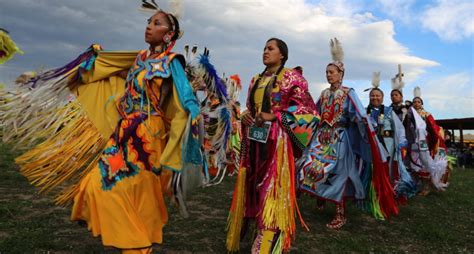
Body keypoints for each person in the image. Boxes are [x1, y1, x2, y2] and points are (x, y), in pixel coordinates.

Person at [6, 3, 204, 252]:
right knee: (99, 182)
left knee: (138, 190)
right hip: (123, 132)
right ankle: (131, 238)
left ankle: (137, 245)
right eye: (148, 22)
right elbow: (113, 71)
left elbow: (183, 96)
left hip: (147, 135)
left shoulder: (172, 62)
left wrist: (191, 117)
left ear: (169, 34)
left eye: (156, 23)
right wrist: (93, 62)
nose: (149, 26)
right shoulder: (139, 59)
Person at [226, 38, 319, 253]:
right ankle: (252, 222)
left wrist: (274, 116)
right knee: (252, 182)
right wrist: (247, 117)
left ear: (282, 55)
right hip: (254, 142)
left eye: (271, 48)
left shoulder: (292, 78)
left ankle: (269, 235)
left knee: (272, 187)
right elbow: (250, 107)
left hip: (277, 143)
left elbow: (309, 112)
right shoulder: (256, 79)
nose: (265, 52)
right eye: (264, 48)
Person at [297, 39, 398, 228]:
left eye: (332, 72)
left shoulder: (348, 93)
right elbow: (316, 114)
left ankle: (340, 214)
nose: (328, 75)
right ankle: (319, 196)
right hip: (322, 139)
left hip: (339, 139)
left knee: (340, 173)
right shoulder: (325, 94)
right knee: (310, 165)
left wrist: (365, 128)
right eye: (327, 72)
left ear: (341, 74)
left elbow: (359, 114)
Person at [365, 73, 416, 205]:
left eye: (377, 95)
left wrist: (401, 142)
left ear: (382, 98)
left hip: (388, 144)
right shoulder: (365, 112)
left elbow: (399, 127)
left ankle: (387, 193)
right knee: (371, 168)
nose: (375, 97)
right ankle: (372, 193)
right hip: (371, 145)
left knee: (388, 169)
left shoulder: (388, 111)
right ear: (369, 97)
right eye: (372, 95)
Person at [411, 87, 450, 194]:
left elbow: (433, 127)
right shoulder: (410, 114)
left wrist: (438, 136)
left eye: (418, 101)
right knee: (414, 164)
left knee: (425, 164)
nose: (416, 103)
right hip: (413, 142)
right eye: (414, 102)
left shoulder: (426, 114)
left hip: (425, 142)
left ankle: (426, 188)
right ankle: (416, 186)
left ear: (422, 103)